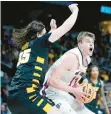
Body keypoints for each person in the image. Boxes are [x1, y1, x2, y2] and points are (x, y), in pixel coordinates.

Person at [7, 4, 79, 114]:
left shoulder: (26, 47)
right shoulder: (39, 42)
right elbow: (66, 27)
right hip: (28, 96)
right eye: (45, 34)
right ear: (38, 34)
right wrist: (75, 11)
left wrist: (52, 30)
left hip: (13, 98)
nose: (47, 37)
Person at [40, 31, 96, 114]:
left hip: (64, 94)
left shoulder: (87, 60)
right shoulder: (72, 57)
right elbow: (52, 81)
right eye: (88, 41)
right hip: (50, 94)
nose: (91, 44)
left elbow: (72, 81)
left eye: (92, 42)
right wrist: (75, 91)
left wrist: (81, 91)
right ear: (80, 44)